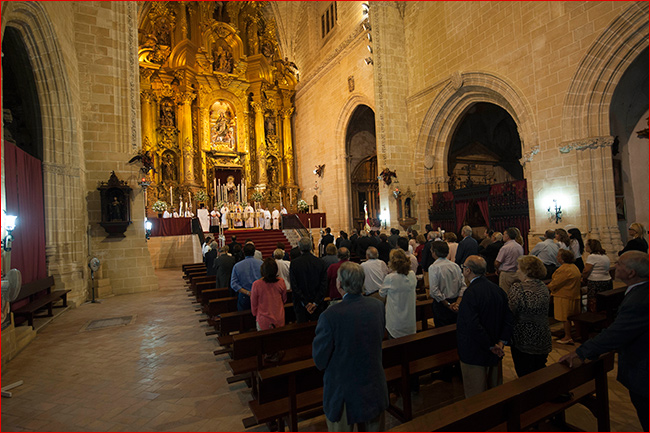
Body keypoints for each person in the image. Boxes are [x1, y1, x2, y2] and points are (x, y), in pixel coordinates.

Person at [559, 251, 648, 432]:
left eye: (620, 264)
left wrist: (581, 351)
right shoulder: (641, 291)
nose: (615, 266)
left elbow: (616, 334)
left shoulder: (638, 300)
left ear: (631, 273)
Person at [312, 261, 389, 432]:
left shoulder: (330, 316)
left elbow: (320, 359)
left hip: (343, 391)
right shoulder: (377, 306)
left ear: (339, 284)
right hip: (373, 382)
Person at [457, 255, 513, 398]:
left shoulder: (470, 293)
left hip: (476, 351)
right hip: (495, 347)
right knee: (494, 392)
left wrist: (490, 345)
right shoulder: (497, 289)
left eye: (464, 267)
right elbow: (508, 318)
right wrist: (501, 342)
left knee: (476, 394)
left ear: (468, 270)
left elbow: (472, 325)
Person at [507, 255, 551, 377]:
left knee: (525, 373)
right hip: (542, 335)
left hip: (524, 338)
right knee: (539, 369)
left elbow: (510, 311)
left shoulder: (518, 288)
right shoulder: (542, 286)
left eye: (518, 269)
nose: (517, 271)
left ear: (526, 271)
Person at [428, 241, 467, 327]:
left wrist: (447, 305)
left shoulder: (434, 267)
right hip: (456, 301)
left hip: (442, 304)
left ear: (434, 252)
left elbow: (434, 291)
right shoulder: (455, 266)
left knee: (442, 331)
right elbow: (463, 286)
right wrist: (457, 303)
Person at [380, 249, 417, 339]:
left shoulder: (391, 278)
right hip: (410, 318)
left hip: (395, 320)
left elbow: (381, 293)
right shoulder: (412, 274)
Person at [547, 249, 582, 344]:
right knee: (574, 317)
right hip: (573, 294)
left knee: (565, 318)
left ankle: (567, 336)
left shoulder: (564, 270)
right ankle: (578, 334)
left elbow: (555, 283)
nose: (557, 257)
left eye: (558, 256)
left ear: (562, 258)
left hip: (564, 296)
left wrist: (547, 286)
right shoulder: (574, 267)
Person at [289, 237, 328, 323]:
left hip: (301, 304)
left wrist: (306, 303)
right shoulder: (320, 262)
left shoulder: (295, 264)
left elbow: (294, 286)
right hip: (316, 304)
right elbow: (324, 285)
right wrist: (315, 302)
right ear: (311, 247)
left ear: (299, 248)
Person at [251, 258, 288, 331]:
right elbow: (284, 299)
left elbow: (254, 303)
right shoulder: (281, 282)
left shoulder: (256, 284)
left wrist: (255, 314)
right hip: (278, 316)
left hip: (263, 318)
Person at [230, 243, 263, 311]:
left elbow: (233, 284)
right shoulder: (261, 264)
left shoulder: (237, 266)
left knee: (244, 317)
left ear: (243, 252)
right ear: (254, 252)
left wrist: (247, 292)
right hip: (259, 294)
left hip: (244, 295)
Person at [582, 239, 612, 312]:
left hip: (596, 282)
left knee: (594, 302)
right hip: (607, 281)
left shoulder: (592, 257)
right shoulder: (604, 256)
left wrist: (583, 278)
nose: (585, 247)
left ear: (591, 246)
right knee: (603, 302)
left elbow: (587, 270)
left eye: (586, 245)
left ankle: (594, 317)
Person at [495, 227, 524, 293]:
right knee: (517, 293)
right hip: (517, 273)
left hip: (507, 274)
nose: (503, 236)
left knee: (505, 293)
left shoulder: (505, 248)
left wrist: (497, 269)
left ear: (507, 236)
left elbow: (497, 262)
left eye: (504, 234)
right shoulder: (519, 246)